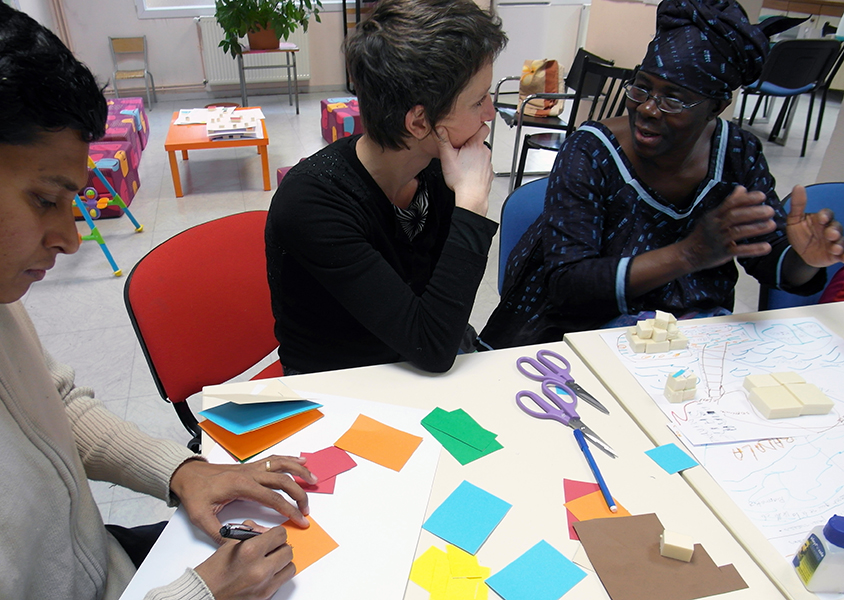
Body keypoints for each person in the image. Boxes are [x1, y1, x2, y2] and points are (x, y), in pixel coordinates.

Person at [0, 2, 318, 599]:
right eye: (44, 200)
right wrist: (198, 595)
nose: (69, 238)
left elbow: (55, 407)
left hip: (104, 564)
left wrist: (183, 471)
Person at [479, 0, 844, 348]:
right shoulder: (590, 152)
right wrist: (688, 254)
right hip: (584, 334)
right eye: (641, 88)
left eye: (673, 99)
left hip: (695, 337)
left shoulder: (738, 154)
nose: (648, 109)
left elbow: (767, 257)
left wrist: (804, 258)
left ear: (716, 107)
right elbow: (569, 285)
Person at [265, 0, 507, 374]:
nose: (491, 112)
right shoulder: (311, 203)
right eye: (478, 101)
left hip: (413, 372)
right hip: (338, 388)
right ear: (419, 122)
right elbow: (432, 347)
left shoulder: (438, 170)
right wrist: (472, 205)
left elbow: (440, 325)